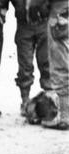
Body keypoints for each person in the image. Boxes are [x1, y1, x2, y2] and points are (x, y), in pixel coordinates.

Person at [29, 0, 69, 129]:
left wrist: (33, 12)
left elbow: (35, 3)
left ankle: (64, 117)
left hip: (60, 16)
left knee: (60, 67)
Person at [10, 0, 51, 113]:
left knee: (46, 62)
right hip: (24, 24)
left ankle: (50, 99)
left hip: (44, 22)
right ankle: (25, 101)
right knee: (25, 64)